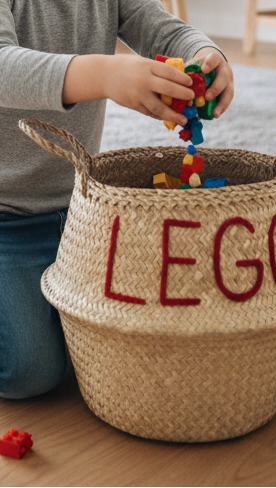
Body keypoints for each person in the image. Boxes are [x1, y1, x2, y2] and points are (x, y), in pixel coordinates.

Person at [0, 0, 234, 400]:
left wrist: (204, 54)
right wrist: (105, 74)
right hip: (7, 217)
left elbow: (163, 29)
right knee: (30, 372)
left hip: (83, 210)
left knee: (156, 320)